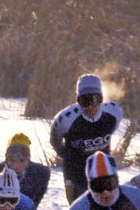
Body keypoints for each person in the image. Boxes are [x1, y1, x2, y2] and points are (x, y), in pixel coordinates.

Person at [49, 74, 125, 202]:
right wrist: (65, 154)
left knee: (108, 208)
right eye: (84, 101)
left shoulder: (114, 112)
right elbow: (55, 141)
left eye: (95, 100)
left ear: (102, 98)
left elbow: (112, 130)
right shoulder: (64, 120)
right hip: (75, 171)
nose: (90, 107)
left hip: (103, 167)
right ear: (77, 99)